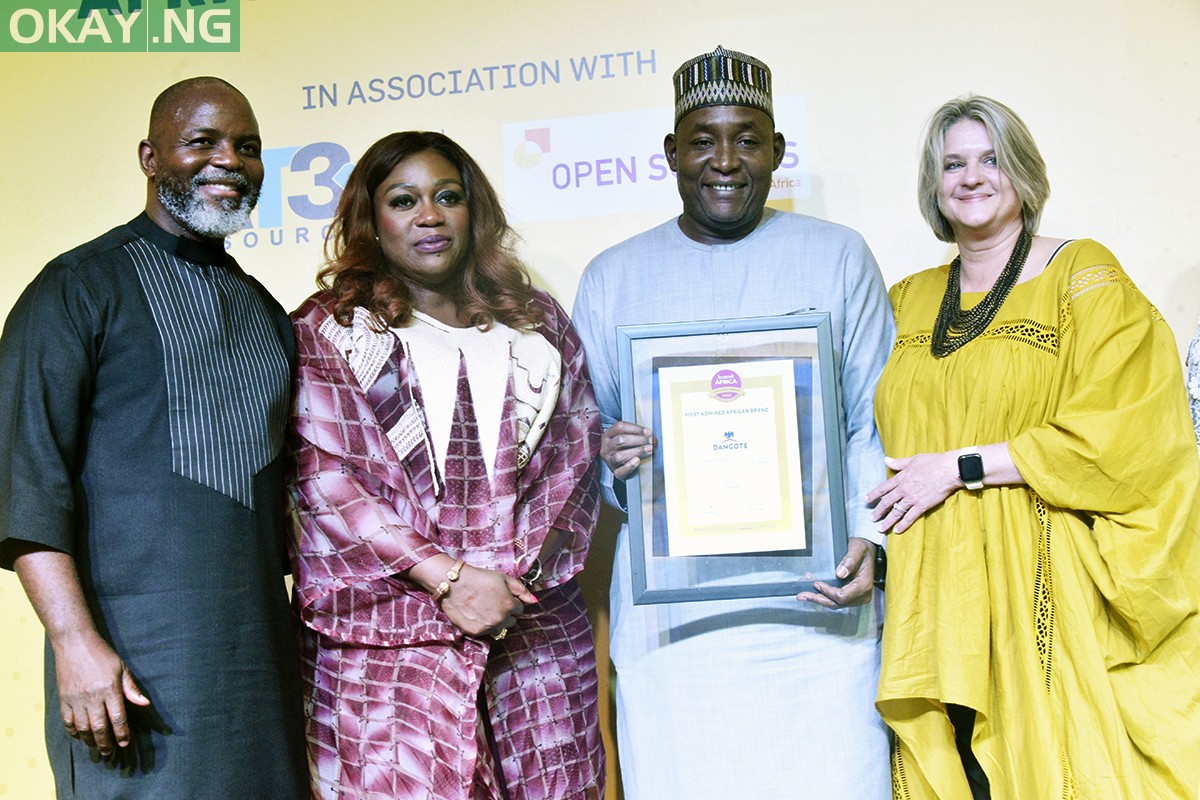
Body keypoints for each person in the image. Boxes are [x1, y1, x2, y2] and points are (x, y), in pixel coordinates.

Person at [572, 46, 893, 798]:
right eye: (703, 140)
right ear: (671, 154)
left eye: (748, 139)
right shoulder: (613, 275)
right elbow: (581, 443)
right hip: (675, 629)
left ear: (778, 151)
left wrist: (869, 544)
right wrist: (613, 460)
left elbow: (873, 423)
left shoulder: (839, 255)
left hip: (813, 610)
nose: (725, 160)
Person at [868, 95, 1200, 799]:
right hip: (930, 593)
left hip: (1044, 587)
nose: (972, 176)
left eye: (991, 158)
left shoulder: (1082, 275)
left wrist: (961, 468)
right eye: (952, 163)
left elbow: (1128, 430)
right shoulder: (903, 301)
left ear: (1022, 169)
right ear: (933, 185)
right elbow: (860, 435)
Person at [0, 77, 308, 798]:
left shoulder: (266, 313)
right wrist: (74, 644)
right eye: (203, 141)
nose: (229, 160)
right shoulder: (76, 287)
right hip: (129, 679)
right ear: (149, 156)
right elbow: (25, 481)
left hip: (259, 679)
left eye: (248, 147)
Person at [287, 130, 605, 800]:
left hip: (533, 635)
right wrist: (451, 580)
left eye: (447, 196)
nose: (429, 215)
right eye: (403, 200)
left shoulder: (536, 324)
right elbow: (330, 482)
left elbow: (573, 459)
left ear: (473, 211)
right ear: (372, 221)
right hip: (386, 653)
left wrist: (498, 588)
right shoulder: (333, 331)